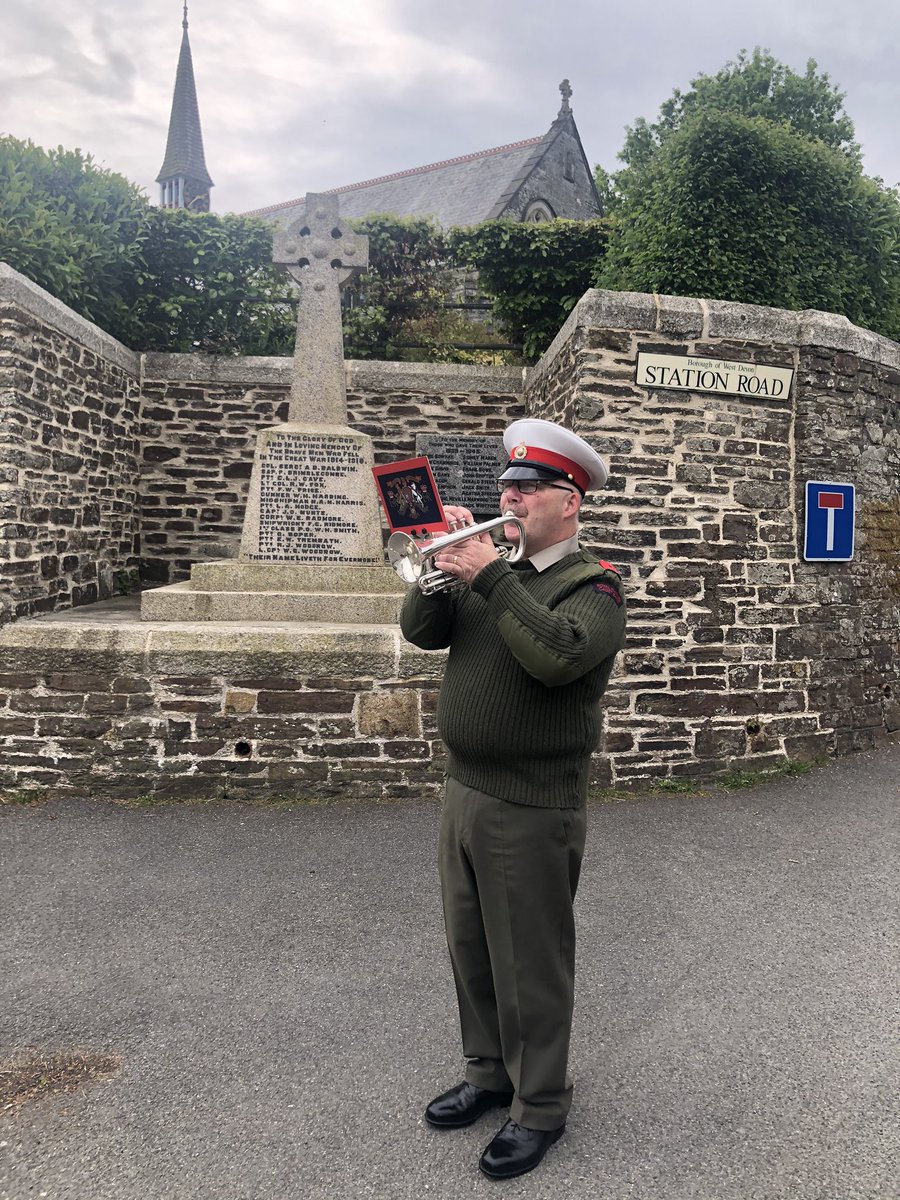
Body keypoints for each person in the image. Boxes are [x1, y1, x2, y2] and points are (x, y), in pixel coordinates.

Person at [399, 418, 627, 1180]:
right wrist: (438, 569)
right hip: (464, 789)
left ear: (571, 501)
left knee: (530, 963)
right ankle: (489, 1073)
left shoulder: (592, 585)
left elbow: (557, 656)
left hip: (531, 804)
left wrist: (491, 575)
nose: (511, 498)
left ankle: (540, 1106)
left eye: (529, 488)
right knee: (471, 949)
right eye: (507, 487)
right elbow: (421, 633)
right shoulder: (491, 573)